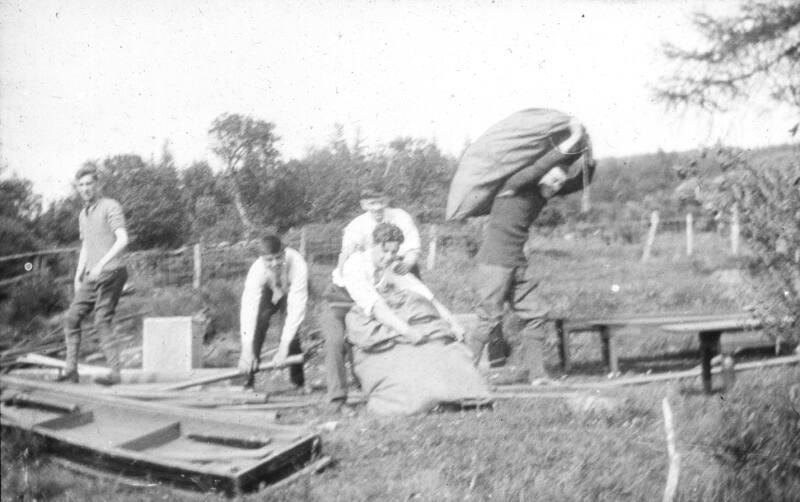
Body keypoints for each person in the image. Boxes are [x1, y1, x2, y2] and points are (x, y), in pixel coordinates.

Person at [469, 115, 596, 383]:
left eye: (559, 182)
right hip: (493, 265)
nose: (557, 185)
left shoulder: (542, 193)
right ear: (540, 177)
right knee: (488, 320)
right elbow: (542, 165)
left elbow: (580, 182)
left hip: (517, 265)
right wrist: (573, 137)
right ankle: (463, 377)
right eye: (553, 180)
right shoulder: (512, 186)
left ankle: (538, 375)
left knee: (537, 315)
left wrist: (589, 154)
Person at [341, 222, 488, 415]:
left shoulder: (391, 266)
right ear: (372, 246)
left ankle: (458, 396)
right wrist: (408, 331)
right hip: (354, 310)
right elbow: (375, 306)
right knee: (397, 359)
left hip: (388, 313)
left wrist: (453, 323)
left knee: (439, 347)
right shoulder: (356, 264)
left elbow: (426, 295)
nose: (388, 257)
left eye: (393, 253)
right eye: (384, 252)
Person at [321, 186, 422, 410]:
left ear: (387, 200)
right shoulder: (356, 227)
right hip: (344, 294)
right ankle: (337, 399)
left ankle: (391, 386)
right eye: (371, 203)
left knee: (388, 331)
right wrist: (344, 270)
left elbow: (413, 249)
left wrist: (405, 264)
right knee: (336, 341)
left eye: (380, 202)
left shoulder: (401, 217)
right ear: (363, 205)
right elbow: (346, 253)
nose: (377, 207)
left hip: (383, 280)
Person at [59, 165, 129, 386]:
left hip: (113, 271)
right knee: (71, 318)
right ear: (77, 188)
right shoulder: (83, 214)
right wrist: (78, 274)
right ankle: (71, 370)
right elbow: (87, 246)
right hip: (93, 274)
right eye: (81, 185)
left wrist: (102, 263)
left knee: (101, 320)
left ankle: (115, 373)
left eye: (89, 183)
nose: (86, 188)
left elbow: (123, 239)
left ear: (97, 184)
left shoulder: (110, 206)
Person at [237, 235, 308, 389]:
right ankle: (248, 380)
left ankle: (298, 382)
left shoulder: (298, 265)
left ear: (284, 253)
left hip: (289, 291)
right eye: (269, 260)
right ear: (261, 259)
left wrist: (283, 349)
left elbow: (296, 310)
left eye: (278, 258)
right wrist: (246, 350)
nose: (274, 263)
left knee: (291, 335)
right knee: (258, 324)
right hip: (268, 291)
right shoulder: (256, 271)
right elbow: (249, 311)